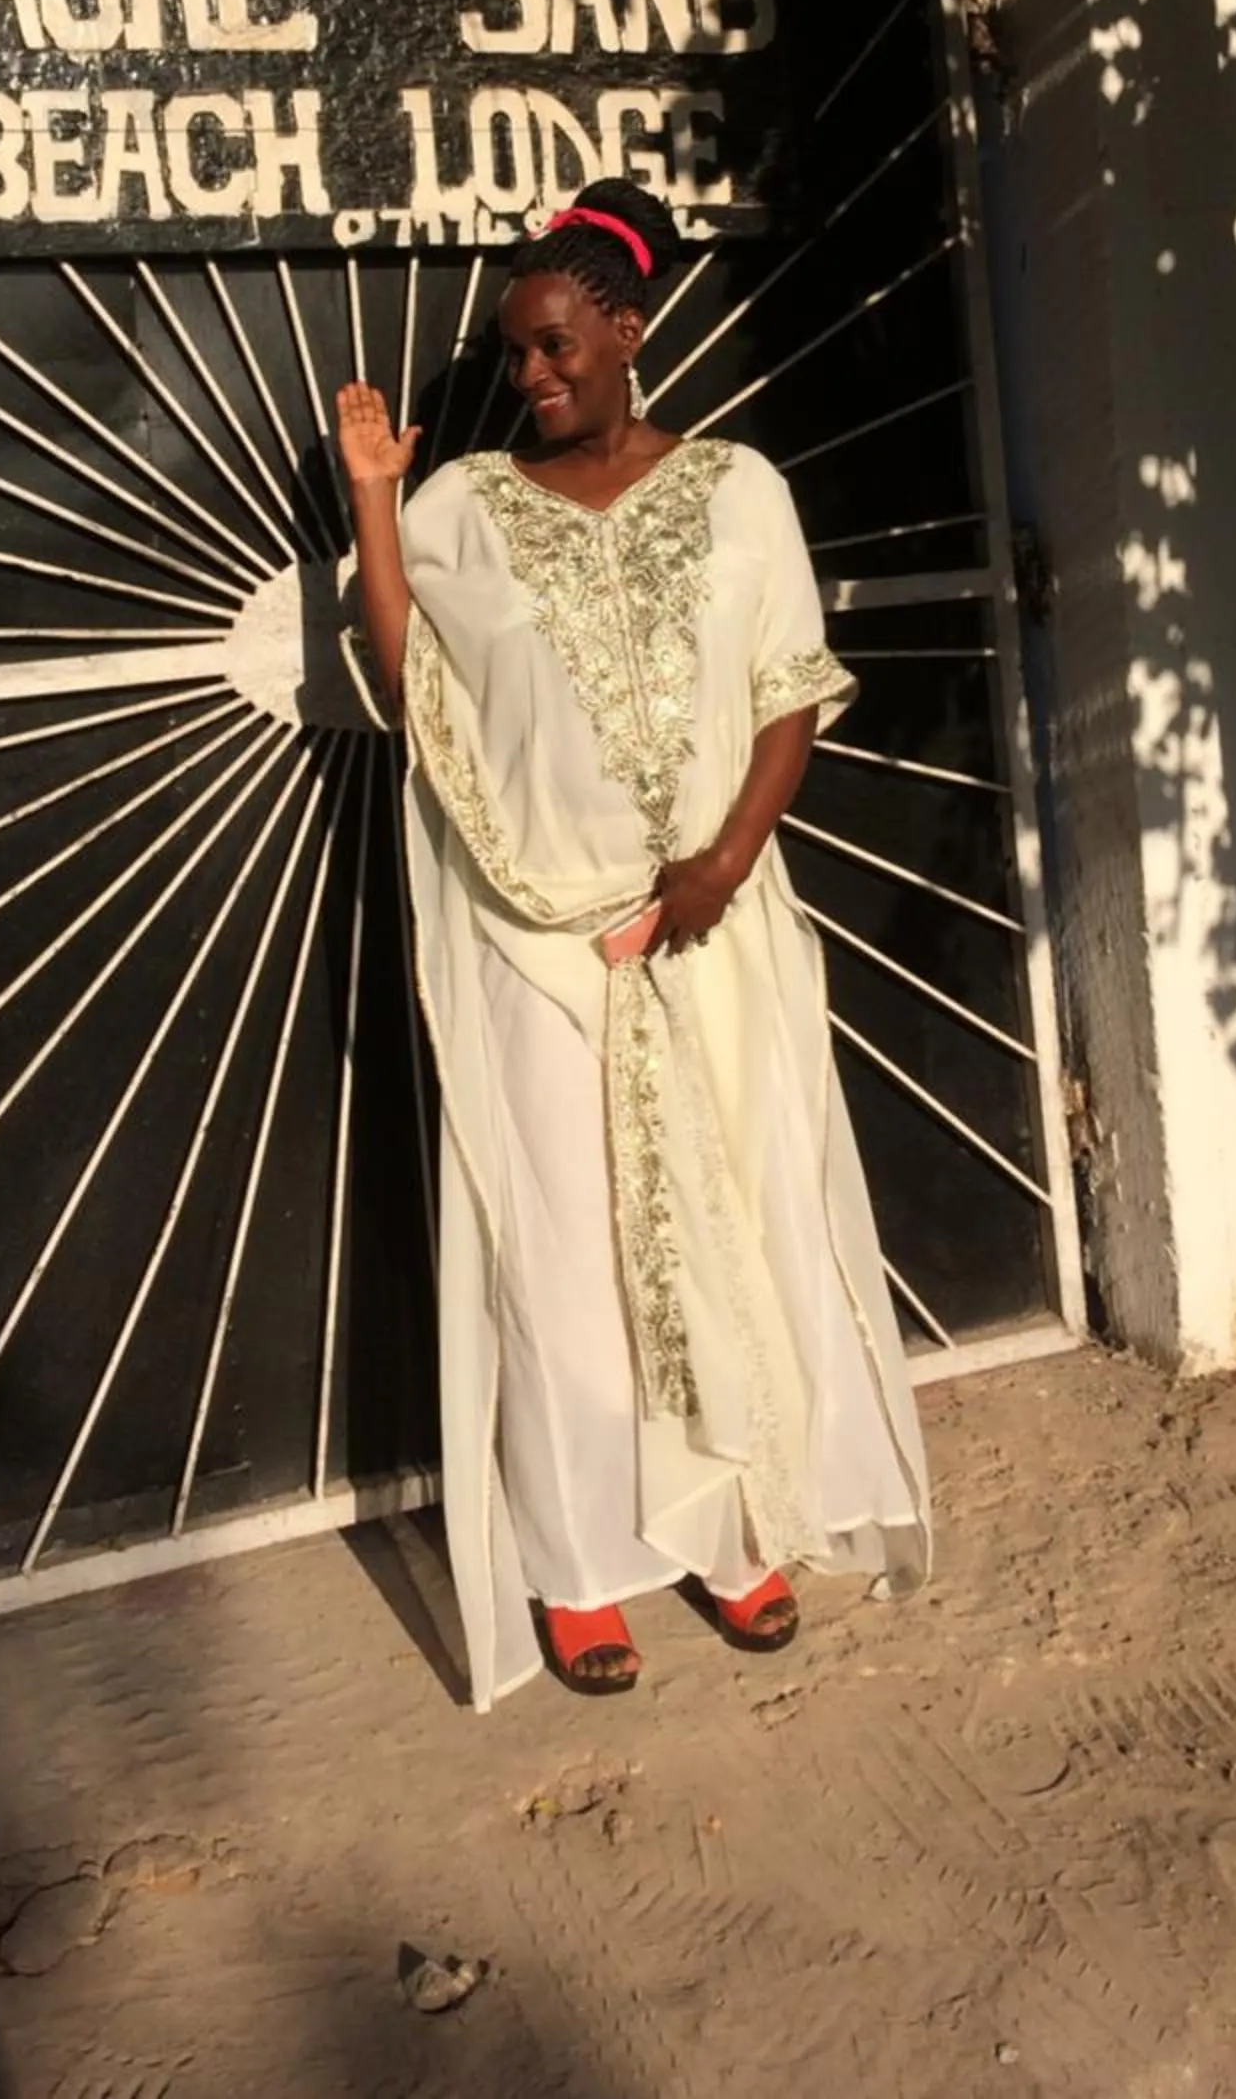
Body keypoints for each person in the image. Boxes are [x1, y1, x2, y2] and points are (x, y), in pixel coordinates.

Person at [335, 176, 931, 1707]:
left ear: (625, 329)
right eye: (513, 354)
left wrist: (723, 864)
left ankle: (733, 1530)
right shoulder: (468, 505)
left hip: (710, 928)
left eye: (554, 345)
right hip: (540, 940)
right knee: (565, 1254)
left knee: (732, 1223)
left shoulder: (736, 488)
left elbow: (789, 687)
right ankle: (580, 1562)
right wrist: (376, 500)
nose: (531, 375)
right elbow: (413, 689)